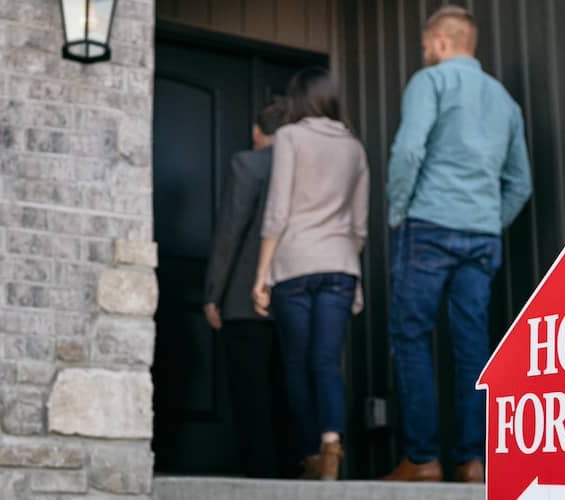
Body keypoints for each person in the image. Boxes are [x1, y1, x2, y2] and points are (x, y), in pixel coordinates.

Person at [382, 5, 532, 484]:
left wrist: (398, 210)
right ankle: (472, 461)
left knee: (411, 338)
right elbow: (521, 183)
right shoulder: (506, 102)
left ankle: (423, 460)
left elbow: (408, 150)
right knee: (473, 347)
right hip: (481, 237)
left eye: (426, 46)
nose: (424, 54)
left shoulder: (431, 82)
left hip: (427, 225)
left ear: (442, 43)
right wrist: (489, 220)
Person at [252, 67, 369, 481]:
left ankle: (309, 456)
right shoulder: (354, 148)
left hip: (294, 266)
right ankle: (332, 442)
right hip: (340, 267)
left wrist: (261, 275)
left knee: (298, 365)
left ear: (299, 100)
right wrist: (347, 265)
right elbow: (359, 226)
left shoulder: (289, 137)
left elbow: (278, 211)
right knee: (326, 361)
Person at [202, 100, 290, 478]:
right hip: (292, 298)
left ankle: (260, 477)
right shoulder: (302, 170)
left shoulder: (248, 165)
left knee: (251, 396)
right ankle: (291, 473)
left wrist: (212, 294)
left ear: (258, 131)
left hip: (242, 299)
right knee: (287, 393)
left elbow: (230, 234)